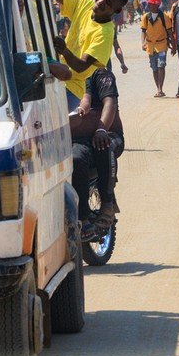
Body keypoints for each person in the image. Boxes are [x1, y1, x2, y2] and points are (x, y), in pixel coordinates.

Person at [50, 0, 130, 111]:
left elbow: (81, 66)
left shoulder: (105, 33)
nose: (101, 1)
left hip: (71, 88)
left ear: (117, 10)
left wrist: (64, 50)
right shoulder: (85, 3)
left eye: (108, 3)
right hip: (54, 74)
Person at [69, 67, 125, 237]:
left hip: (106, 134)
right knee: (76, 158)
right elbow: (85, 100)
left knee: (103, 144)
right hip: (78, 139)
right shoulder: (60, 75)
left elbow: (110, 103)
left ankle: (106, 203)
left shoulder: (99, 74)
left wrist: (101, 129)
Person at [141, 0, 171, 97]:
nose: (149, 6)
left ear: (156, 6)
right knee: (154, 68)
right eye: (149, 4)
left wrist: (174, 45)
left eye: (151, 4)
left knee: (161, 65)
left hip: (162, 45)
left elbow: (169, 31)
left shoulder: (164, 17)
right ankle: (157, 87)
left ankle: (160, 89)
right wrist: (143, 43)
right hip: (150, 46)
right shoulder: (145, 17)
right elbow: (143, 31)